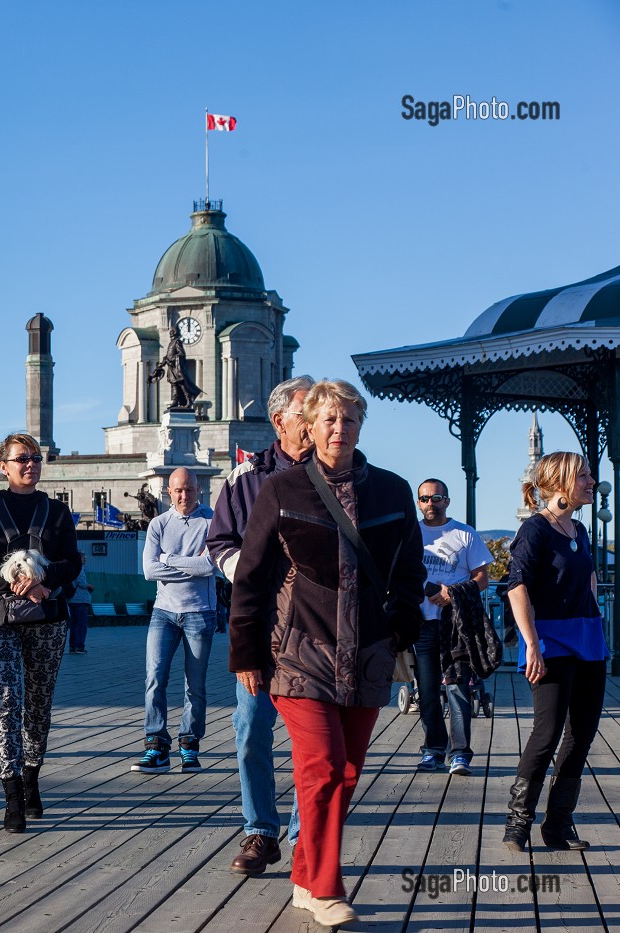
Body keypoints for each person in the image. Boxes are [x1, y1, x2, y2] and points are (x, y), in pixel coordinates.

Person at [229, 379, 424, 928]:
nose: (340, 430)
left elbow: (410, 569)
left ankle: (300, 873)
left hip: (366, 653)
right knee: (324, 767)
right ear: (308, 428)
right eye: (329, 421)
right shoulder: (282, 490)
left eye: (350, 420)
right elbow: (251, 579)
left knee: (349, 770)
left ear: (361, 426)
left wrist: (402, 625)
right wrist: (247, 652)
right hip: (297, 653)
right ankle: (325, 888)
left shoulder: (392, 490)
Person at [207, 374, 311, 876]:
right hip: (261, 626)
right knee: (251, 730)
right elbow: (220, 543)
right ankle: (260, 830)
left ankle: (303, 839)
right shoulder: (244, 479)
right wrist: (247, 574)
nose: (316, 425)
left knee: (310, 738)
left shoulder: (335, 475)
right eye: (305, 414)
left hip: (318, 631)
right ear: (279, 422)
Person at [0, 432, 79, 834]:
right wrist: (17, 582)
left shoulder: (58, 512)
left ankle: (32, 775)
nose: (30, 464)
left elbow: (72, 561)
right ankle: (12, 796)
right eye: (21, 459)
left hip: (48, 617)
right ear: (4, 466)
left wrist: (43, 581)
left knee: (38, 704)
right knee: (8, 701)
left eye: (35, 458)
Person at [503, 452, 608, 853]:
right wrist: (531, 644)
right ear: (562, 482)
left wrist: (594, 621)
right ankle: (518, 822)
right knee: (546, 734)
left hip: (589, 642)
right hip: (550, 643)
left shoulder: (579, 531)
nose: (590, 481)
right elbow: (516, 586)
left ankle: (558, 824)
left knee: (580, 736)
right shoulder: (536, 530)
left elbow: (591, 579)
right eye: (583, 475)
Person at [135, 467, 216, 774]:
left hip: (200, 612)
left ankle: (189, 745)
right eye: (178, 490)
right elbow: (148, 571)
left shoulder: (211, 521)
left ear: (199, 490)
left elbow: (209, 567)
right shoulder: (158, 524)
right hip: (164, 613)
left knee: (194, 685)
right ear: (169, 491)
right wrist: (188, 566)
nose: (184, 496)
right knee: (154, 678)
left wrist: (168, 558)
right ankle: (156, 745)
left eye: (189, 490)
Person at [414, 478, 491, 776]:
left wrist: (453, 593)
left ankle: (459, 753)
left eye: (436, 498)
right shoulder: (412, 534)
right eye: (423, 498)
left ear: (447, 500)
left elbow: (482, 577)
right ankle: (433, 749)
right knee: (428, 690)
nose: (429, 503)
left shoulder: (464, 534)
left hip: (457, 626)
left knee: (459, 689)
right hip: (423, 624)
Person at [66, 553, 94, 654]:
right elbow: (81, 583)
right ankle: (79, 646)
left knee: (74, 624)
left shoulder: (70, 568)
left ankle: (72, 646)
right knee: (81, 624)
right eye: (83, 557)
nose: (85, 558)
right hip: (80, 599)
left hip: (72, 600)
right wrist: (89, 586)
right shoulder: (79, 568)